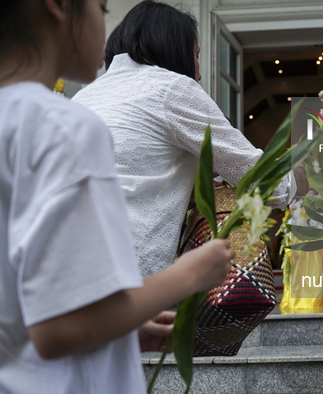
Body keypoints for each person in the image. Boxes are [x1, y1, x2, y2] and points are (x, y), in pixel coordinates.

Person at [0, 0, 233, 392]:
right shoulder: (67, 126)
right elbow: (57, 328)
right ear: (57, 7)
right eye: (103, 7)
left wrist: (121, 329)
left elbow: (29, 302)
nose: (107, 26)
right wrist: (191, 272)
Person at [72, 1, 296, 278]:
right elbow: (268, 183)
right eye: (196, 54)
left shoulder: (83, 97)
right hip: (129, 273)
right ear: (173, 47)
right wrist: (308, 173)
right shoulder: (172, 87)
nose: (199, 72)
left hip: (65, 264)